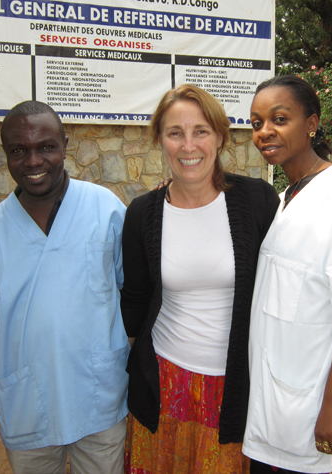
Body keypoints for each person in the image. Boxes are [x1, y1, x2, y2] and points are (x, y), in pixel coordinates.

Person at [0, 101, 129, 474]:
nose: (33, 161)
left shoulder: (106, 210)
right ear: (5, 154)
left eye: (45, 146)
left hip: (99, 399)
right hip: (28, 405)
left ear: (65, 145)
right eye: (19, 150)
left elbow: (133, 297)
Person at [120, 84, 280, 473]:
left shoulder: (258, 201)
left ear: (221, 137)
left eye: (201, 131)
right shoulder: (142, 214)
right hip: (166, 384)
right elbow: (136, 304)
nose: (188, 145)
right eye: (175, 133)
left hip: (236, 387)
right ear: (160, 139)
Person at [242, 75, 332, 474]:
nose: (265, 131)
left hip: (314, 409)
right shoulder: (287, 197)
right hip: (276, 409)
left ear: (311, 123)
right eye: (256, 123)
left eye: (279, 119)